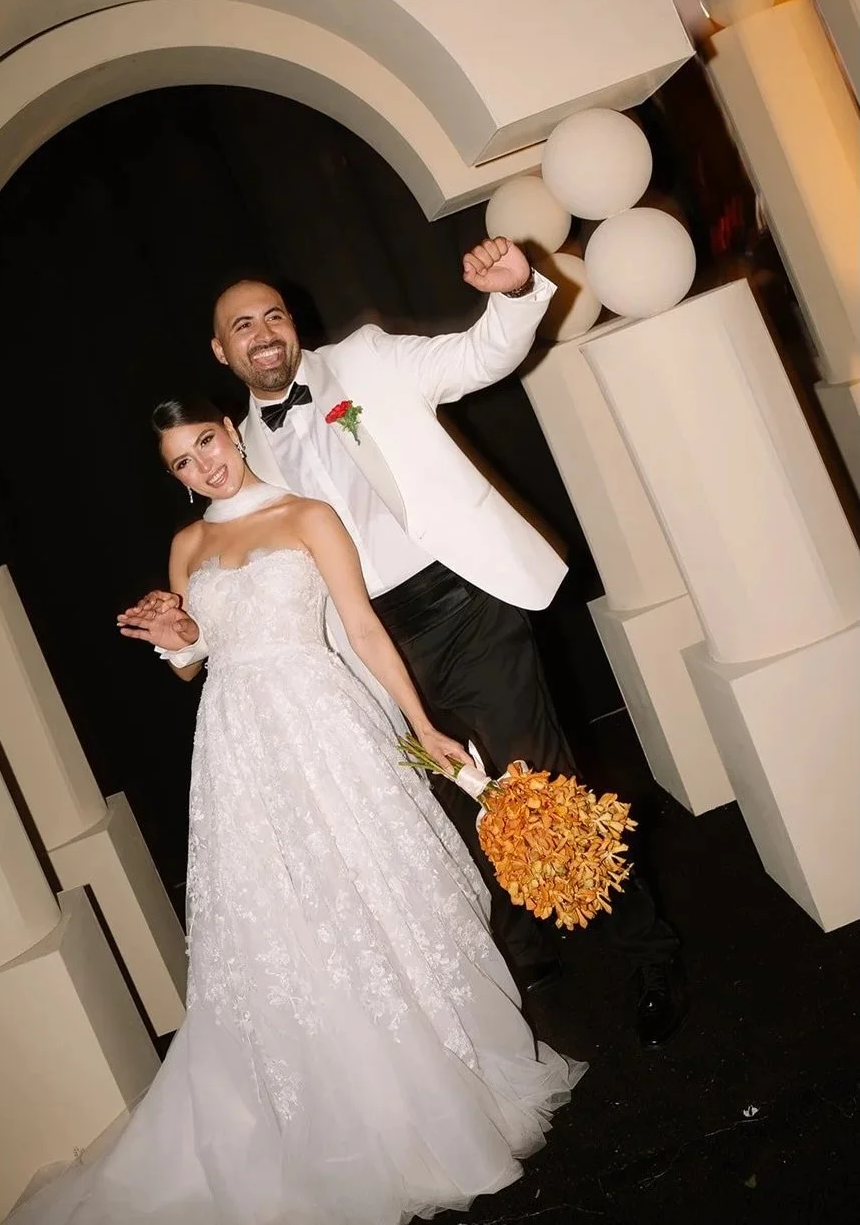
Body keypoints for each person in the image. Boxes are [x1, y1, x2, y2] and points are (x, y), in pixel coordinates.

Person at [9, 398, 583, 1225]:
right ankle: (325, 1099)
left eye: (206, 442)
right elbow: (192, 664)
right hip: (237, 743)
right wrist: (174, 635)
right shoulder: (187, 544)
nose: (203, 465)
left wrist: (422, 725)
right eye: (181, 461)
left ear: (229, 431)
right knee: (277, 918)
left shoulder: (308, 515)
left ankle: (432, 1087)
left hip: (322, 723)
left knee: (377, 891)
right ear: (175, 476)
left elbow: (363, 628)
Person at [124, 237, 685, 1048]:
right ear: (220, 351)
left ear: (293, 323)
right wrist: (186, 638)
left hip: (458, 607)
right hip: (362, 648)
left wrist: (515, 294)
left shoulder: (368, 361)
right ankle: (524, 953)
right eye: (242, 326)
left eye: (273, 316)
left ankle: (647, 954)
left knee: (539, 784)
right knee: (448, 807)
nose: (263, 333)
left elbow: (479, 357)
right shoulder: (235, 451)